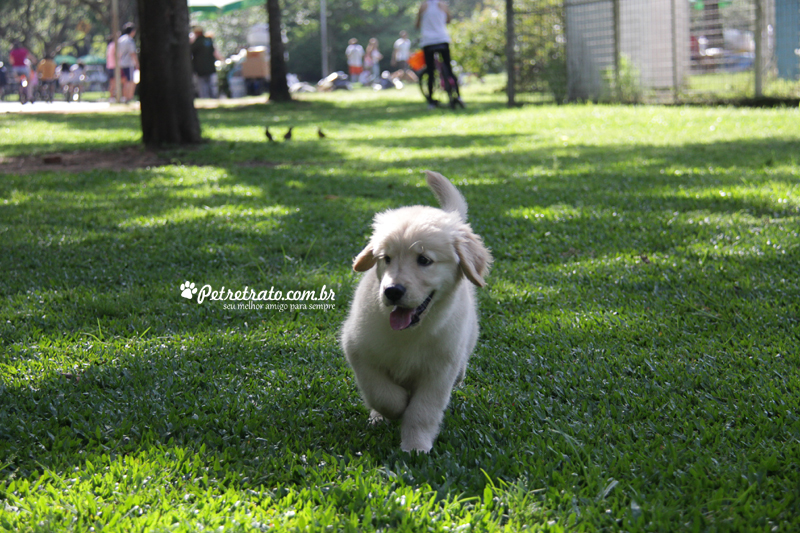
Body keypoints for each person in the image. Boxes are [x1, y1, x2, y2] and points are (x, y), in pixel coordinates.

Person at [416, 0, 463, 109]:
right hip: (442, 39)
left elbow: (417, 24)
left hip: (428, 41)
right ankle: (459, 95)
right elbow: (448, 20)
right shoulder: (443, 5)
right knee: (449, 69)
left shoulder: (423, 6)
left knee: (431, 72)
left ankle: (431, 102)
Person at [190, 26, 222, 99]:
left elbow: (190, 51)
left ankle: (205, 98)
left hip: (200, 68)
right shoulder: (208, 41)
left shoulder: (197, 42)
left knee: (202, 85)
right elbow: (214, 52)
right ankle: (214, 97)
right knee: (212, 85)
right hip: (211, 67)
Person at [117, 22, 139, 103]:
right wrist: (137, 64)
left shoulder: (120, 39)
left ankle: (124, 97)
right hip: (128, 63)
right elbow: (132, 53)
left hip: (121, 63)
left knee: (124, 81)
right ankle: (128, 98)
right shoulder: (129, 40)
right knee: (130, 81)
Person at [106, 34, 117, 101]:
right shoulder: (114, 45)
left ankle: (112, 96)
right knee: (113, 82)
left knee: (112, 82)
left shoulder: (109, 46)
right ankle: (112, 96)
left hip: (110, 66)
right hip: (114, 66)